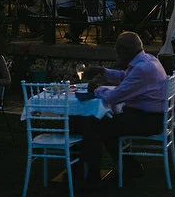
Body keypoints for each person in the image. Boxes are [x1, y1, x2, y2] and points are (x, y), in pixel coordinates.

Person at [71, 32, 168, 182]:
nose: (117, 55)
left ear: (125, 50)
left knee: (95, 126)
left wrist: (96, 89)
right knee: (106, 124)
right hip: (150, 117)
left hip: (147, 121)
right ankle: (131, 167)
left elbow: (114, 97)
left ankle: (92, 177)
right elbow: (125, 77)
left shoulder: (142, 69)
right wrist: (102, 71)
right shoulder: (148, 59)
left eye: (118, 51)